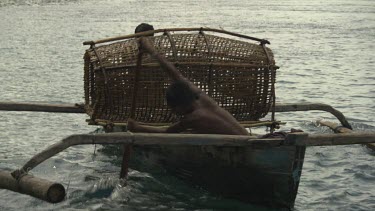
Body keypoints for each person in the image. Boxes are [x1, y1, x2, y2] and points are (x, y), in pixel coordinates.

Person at [127, 38, 249, 135]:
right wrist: (151, 50)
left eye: (173, 109)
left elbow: (167, 132)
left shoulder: (192, 119)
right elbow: (176, 75)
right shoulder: (203, 99)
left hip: (242, 146)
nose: (174, 112)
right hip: (244, 135)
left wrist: (137, 127)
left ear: (179, 106)